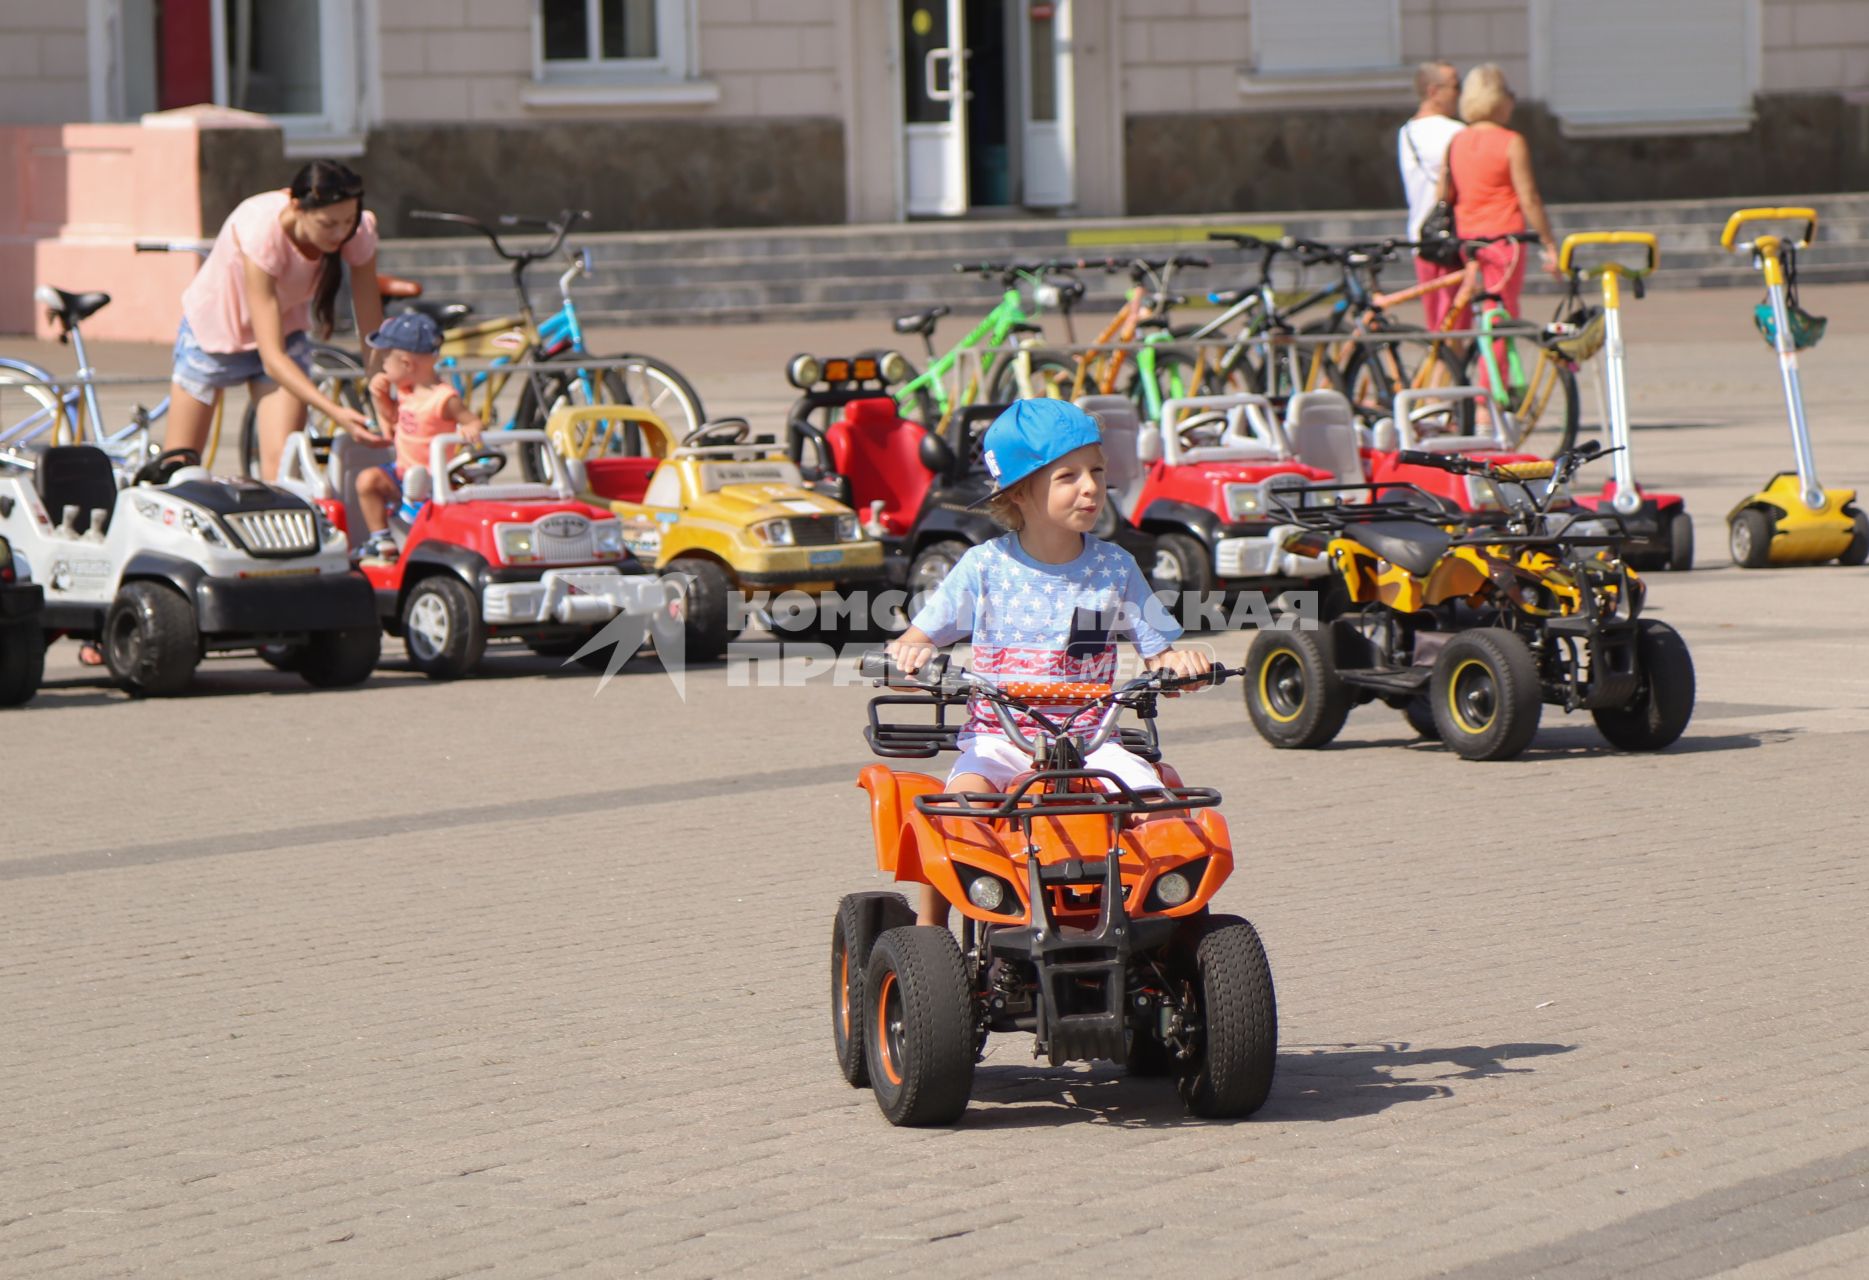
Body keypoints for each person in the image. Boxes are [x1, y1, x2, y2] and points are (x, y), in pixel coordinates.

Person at [885, 400, 1212, 927]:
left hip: (1092, 742)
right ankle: (930, 936)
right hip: (999, 742)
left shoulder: (1116, 567)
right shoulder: (983, 567)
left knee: (1157, 799)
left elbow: (1162, 654)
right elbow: (916, 639)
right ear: (1019, 492)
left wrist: (1183, 665)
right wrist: (911, 653)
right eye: (1068, 476)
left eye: (1097, 472)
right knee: (959, 809)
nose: (1090, 487)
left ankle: (1173, 921)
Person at [168, 160, 383, 484]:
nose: (340, 233)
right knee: (180, 469)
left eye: (348, 221)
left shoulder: (357, 229)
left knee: (282, 469)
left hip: (286, 331)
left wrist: (380, 384)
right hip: (214, 334)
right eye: (328, 224)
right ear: (297, 207)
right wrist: (335, 412)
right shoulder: (261, 229)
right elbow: (272, 359)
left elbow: (370, 323)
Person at [1438, 63, 1559, 332]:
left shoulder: (1457, 141)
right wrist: (1549, 243)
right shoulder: (1510, 141)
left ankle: (1469, 371)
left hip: (1467, 237)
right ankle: (1493, 376)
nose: (1512, 102)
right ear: (1497, 99)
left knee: (1473, 315)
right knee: (1501, 315)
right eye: (1509, 94)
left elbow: (1446, 194)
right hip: (1504, 239)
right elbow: (1529, 198)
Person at [352, 312, 482, 561]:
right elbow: (392, 422)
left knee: (423, 527)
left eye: (385, 359)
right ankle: (381, 539)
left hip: (432, 482)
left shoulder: (443, 399)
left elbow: (473, 421)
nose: (383, 367)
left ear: (407, 364)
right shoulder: (404, 391)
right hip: (402, 473)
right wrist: (380, 398)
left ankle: (426, 552)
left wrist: (470, 430)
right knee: (367, 481)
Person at [1397, 60, 1465, 332]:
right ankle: (1451, 373)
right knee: (1456, 326)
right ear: (1434, 90)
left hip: (1422, 235)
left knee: (1436, 322)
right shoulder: (1456, 132)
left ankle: (1441, 371)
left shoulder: (1406, 132)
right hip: (1452, 237)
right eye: (1456, 86)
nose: (1460, 94)